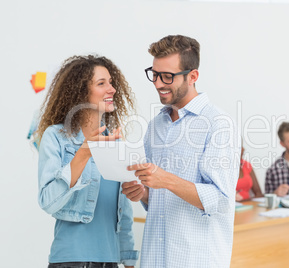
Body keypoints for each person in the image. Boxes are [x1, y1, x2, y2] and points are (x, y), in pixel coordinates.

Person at [121, 35, 240, 268]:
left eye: (167, 76)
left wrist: (165, 180)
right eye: (154, 75)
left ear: (193, 76)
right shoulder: (156, 125)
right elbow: (157, 195)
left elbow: (222, 201)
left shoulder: (218, 124)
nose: (157, 83)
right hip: (155, 259)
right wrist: (142, 192)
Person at [36, 55, 138, 268]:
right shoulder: (55, 137)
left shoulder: (115, 141)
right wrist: (83, 153)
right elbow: (48, 201)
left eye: (111, 82)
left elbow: (123, 212)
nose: (112, 89)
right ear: (80, 92)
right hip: (70, 261)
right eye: (102, 83)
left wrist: (128, 260)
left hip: (110, 261)